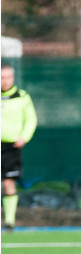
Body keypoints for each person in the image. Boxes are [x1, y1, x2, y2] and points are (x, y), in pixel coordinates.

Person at [1, 64, 38, 232]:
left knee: (8, 182)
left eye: (8, 77)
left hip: (11, 147)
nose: (5, 80)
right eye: (2, 77)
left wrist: (24, 137)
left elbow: (31, 119)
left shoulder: (22, 97)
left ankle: (9, 222)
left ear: (13, 78)